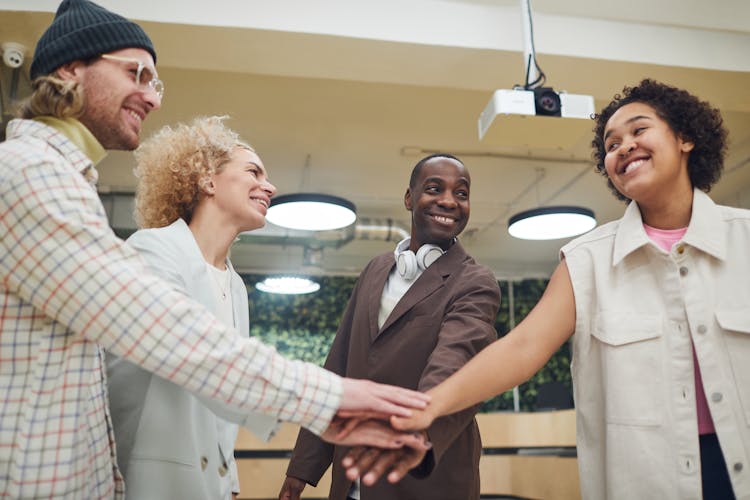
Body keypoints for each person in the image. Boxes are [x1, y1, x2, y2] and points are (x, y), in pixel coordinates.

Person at [0, 2, 428, 498]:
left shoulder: (61, 180)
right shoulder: (28, 172)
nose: (152, 98)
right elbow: (165, 331)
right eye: (136, 73)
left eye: (155, 83)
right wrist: (333, 399)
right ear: (70, 69)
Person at [346, 79, 750, 500]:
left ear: (685, 137)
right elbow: (521, 347)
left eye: (638, 130)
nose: (624, 146)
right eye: (612, 144)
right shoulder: (587, 259)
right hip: (648, 478)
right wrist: (423, 410)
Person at [279, 154, 501, 500]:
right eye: (434, 188)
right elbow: (337, 367)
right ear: (409, 198)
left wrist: (413, 434)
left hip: (426, 477)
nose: (448, 200)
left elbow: (454, 362)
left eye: (461, 193)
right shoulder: (375, 270)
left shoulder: (475, 281)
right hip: (352, 478)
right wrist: (303, 467)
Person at [106, 116, 277, 499]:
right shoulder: (153, 249)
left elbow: (224, 402)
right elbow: (199, 358)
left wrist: (229, 481)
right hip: (150, 478)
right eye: (254, 171)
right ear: (208, 181)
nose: (270, 186)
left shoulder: (235, 285)